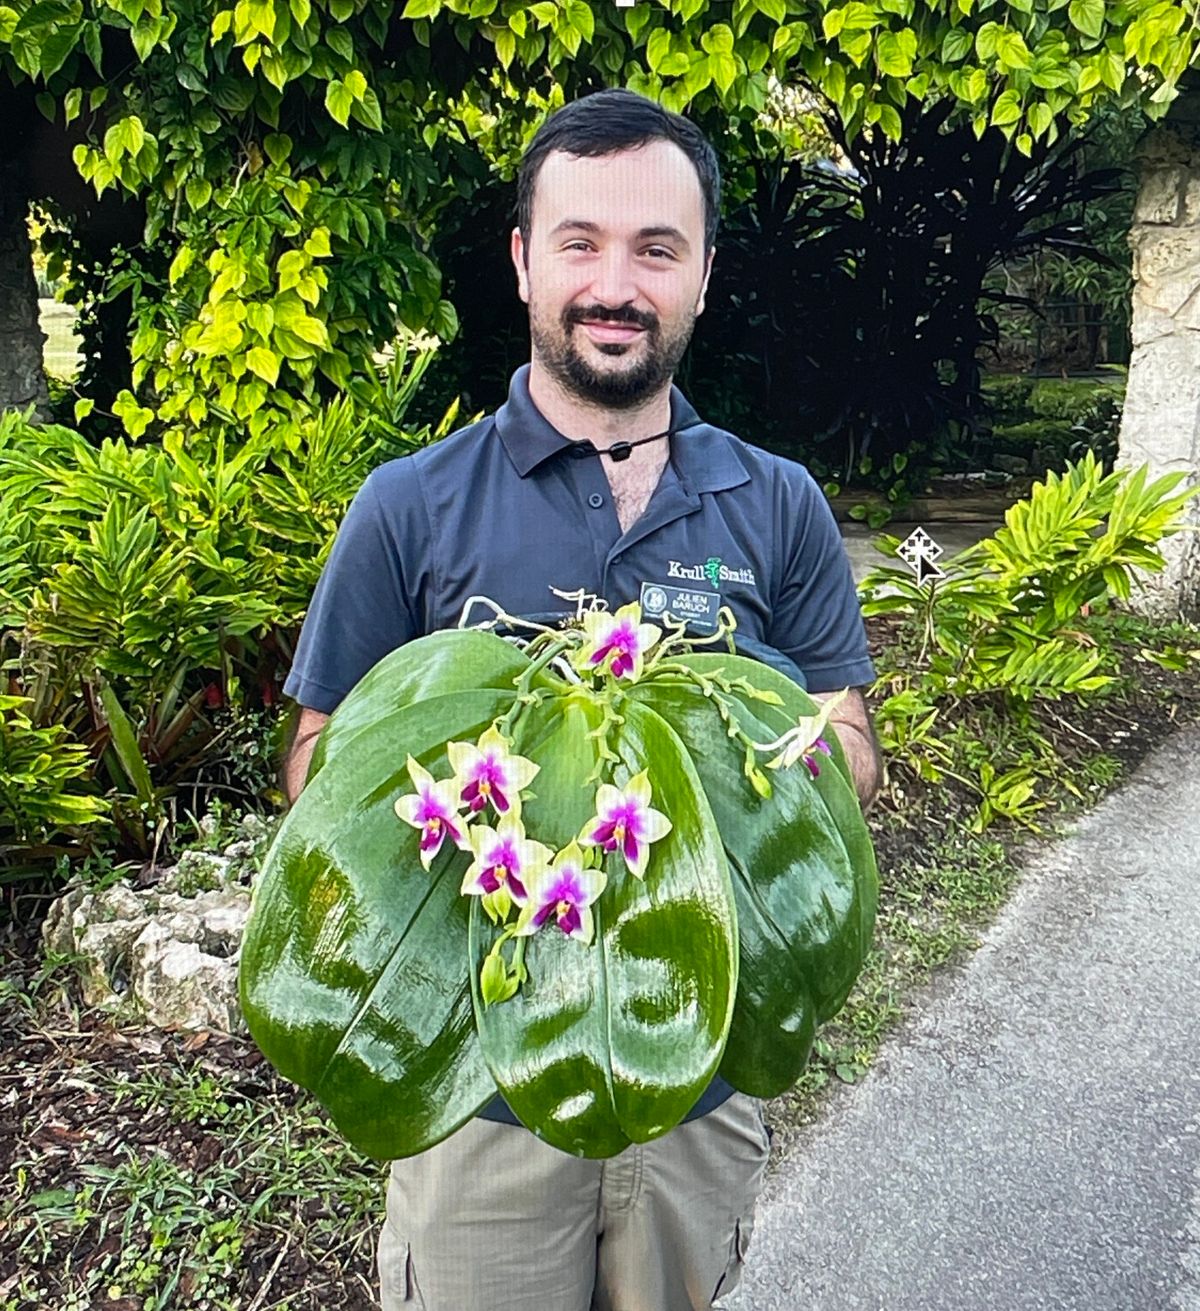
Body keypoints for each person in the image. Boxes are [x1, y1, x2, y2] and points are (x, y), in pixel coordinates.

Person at [280, 87, 882, 1311]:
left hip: (696, 1073)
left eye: (657, 249)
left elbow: (852, 746)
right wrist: (462, 794)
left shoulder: (777, 504)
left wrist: (748, 747)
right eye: (582, 243)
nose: (618, 282)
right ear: (522, 261)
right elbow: (318, 766)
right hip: (475, 1097)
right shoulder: (410, 506)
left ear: (703, 274)